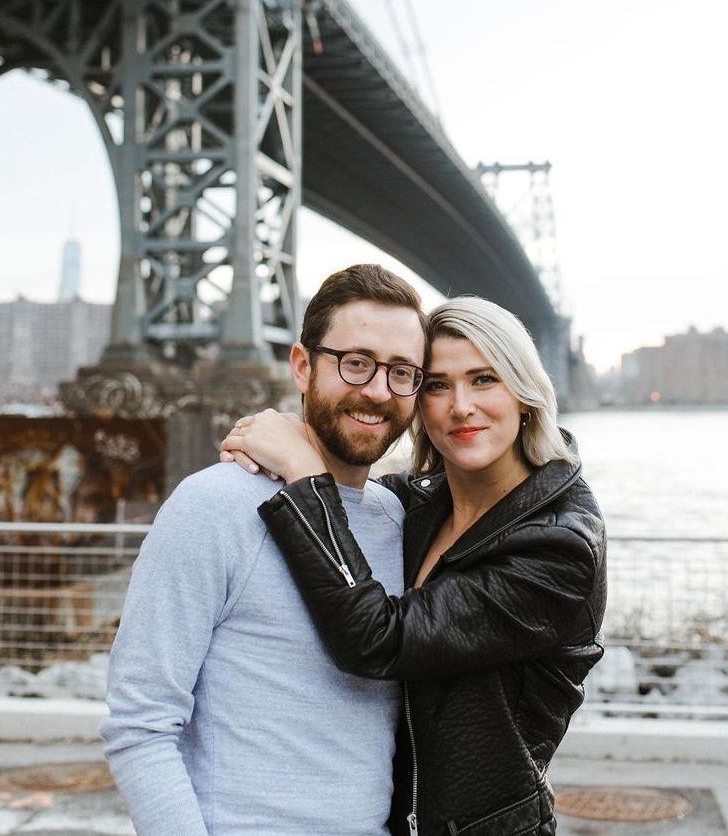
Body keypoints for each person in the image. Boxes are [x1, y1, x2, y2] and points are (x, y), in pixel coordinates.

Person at [220, 296, 607, 836]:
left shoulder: (558, 546)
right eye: (437, 385)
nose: (461, 406)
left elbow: (381, 639)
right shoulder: (414, 504)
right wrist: (278, 441)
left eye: (484, 379)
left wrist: (304, 476)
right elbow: (344, 506)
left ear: (525, 394)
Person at [100, 264, 428, 835]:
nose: (377, 390)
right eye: (356, 362)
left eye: (402, 372)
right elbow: (141, 722)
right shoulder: (215, 505)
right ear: (302, 366)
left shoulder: (400, 519)